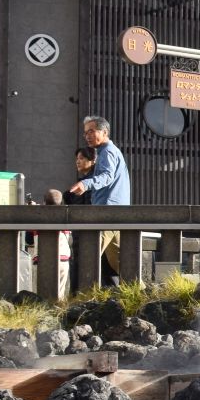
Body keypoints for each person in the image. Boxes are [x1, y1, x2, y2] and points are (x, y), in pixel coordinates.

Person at [69, 117, 129, 280]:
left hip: (106, 213)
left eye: (91, 131)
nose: (87, 136)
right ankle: (143, 293)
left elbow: (107, 176)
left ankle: (83, 297)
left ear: (104, 132)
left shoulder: (107, 151)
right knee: (121, 262)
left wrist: (86, 184)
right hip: (115, 213)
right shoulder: (107, 151)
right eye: (85, 132)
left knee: (88, 255)